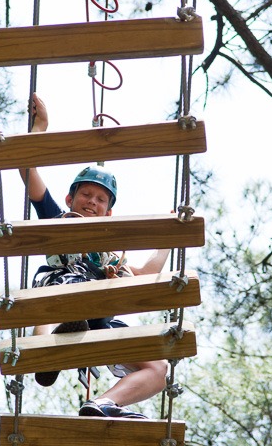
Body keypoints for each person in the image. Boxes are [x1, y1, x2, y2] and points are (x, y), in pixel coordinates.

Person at [20, 93, 170, 420]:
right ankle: (47, 353)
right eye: (86, 194)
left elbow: (145, 272)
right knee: (57, 295)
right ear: (69, 199)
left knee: (160, 369)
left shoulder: (107, 257)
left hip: (98, 313)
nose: (92, 201)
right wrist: (40, 127)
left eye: (100, 199)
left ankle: (104, 403)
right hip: (63, 291)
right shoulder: (58, 220)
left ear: (108, 213)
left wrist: (168, 241)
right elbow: (27, 167)